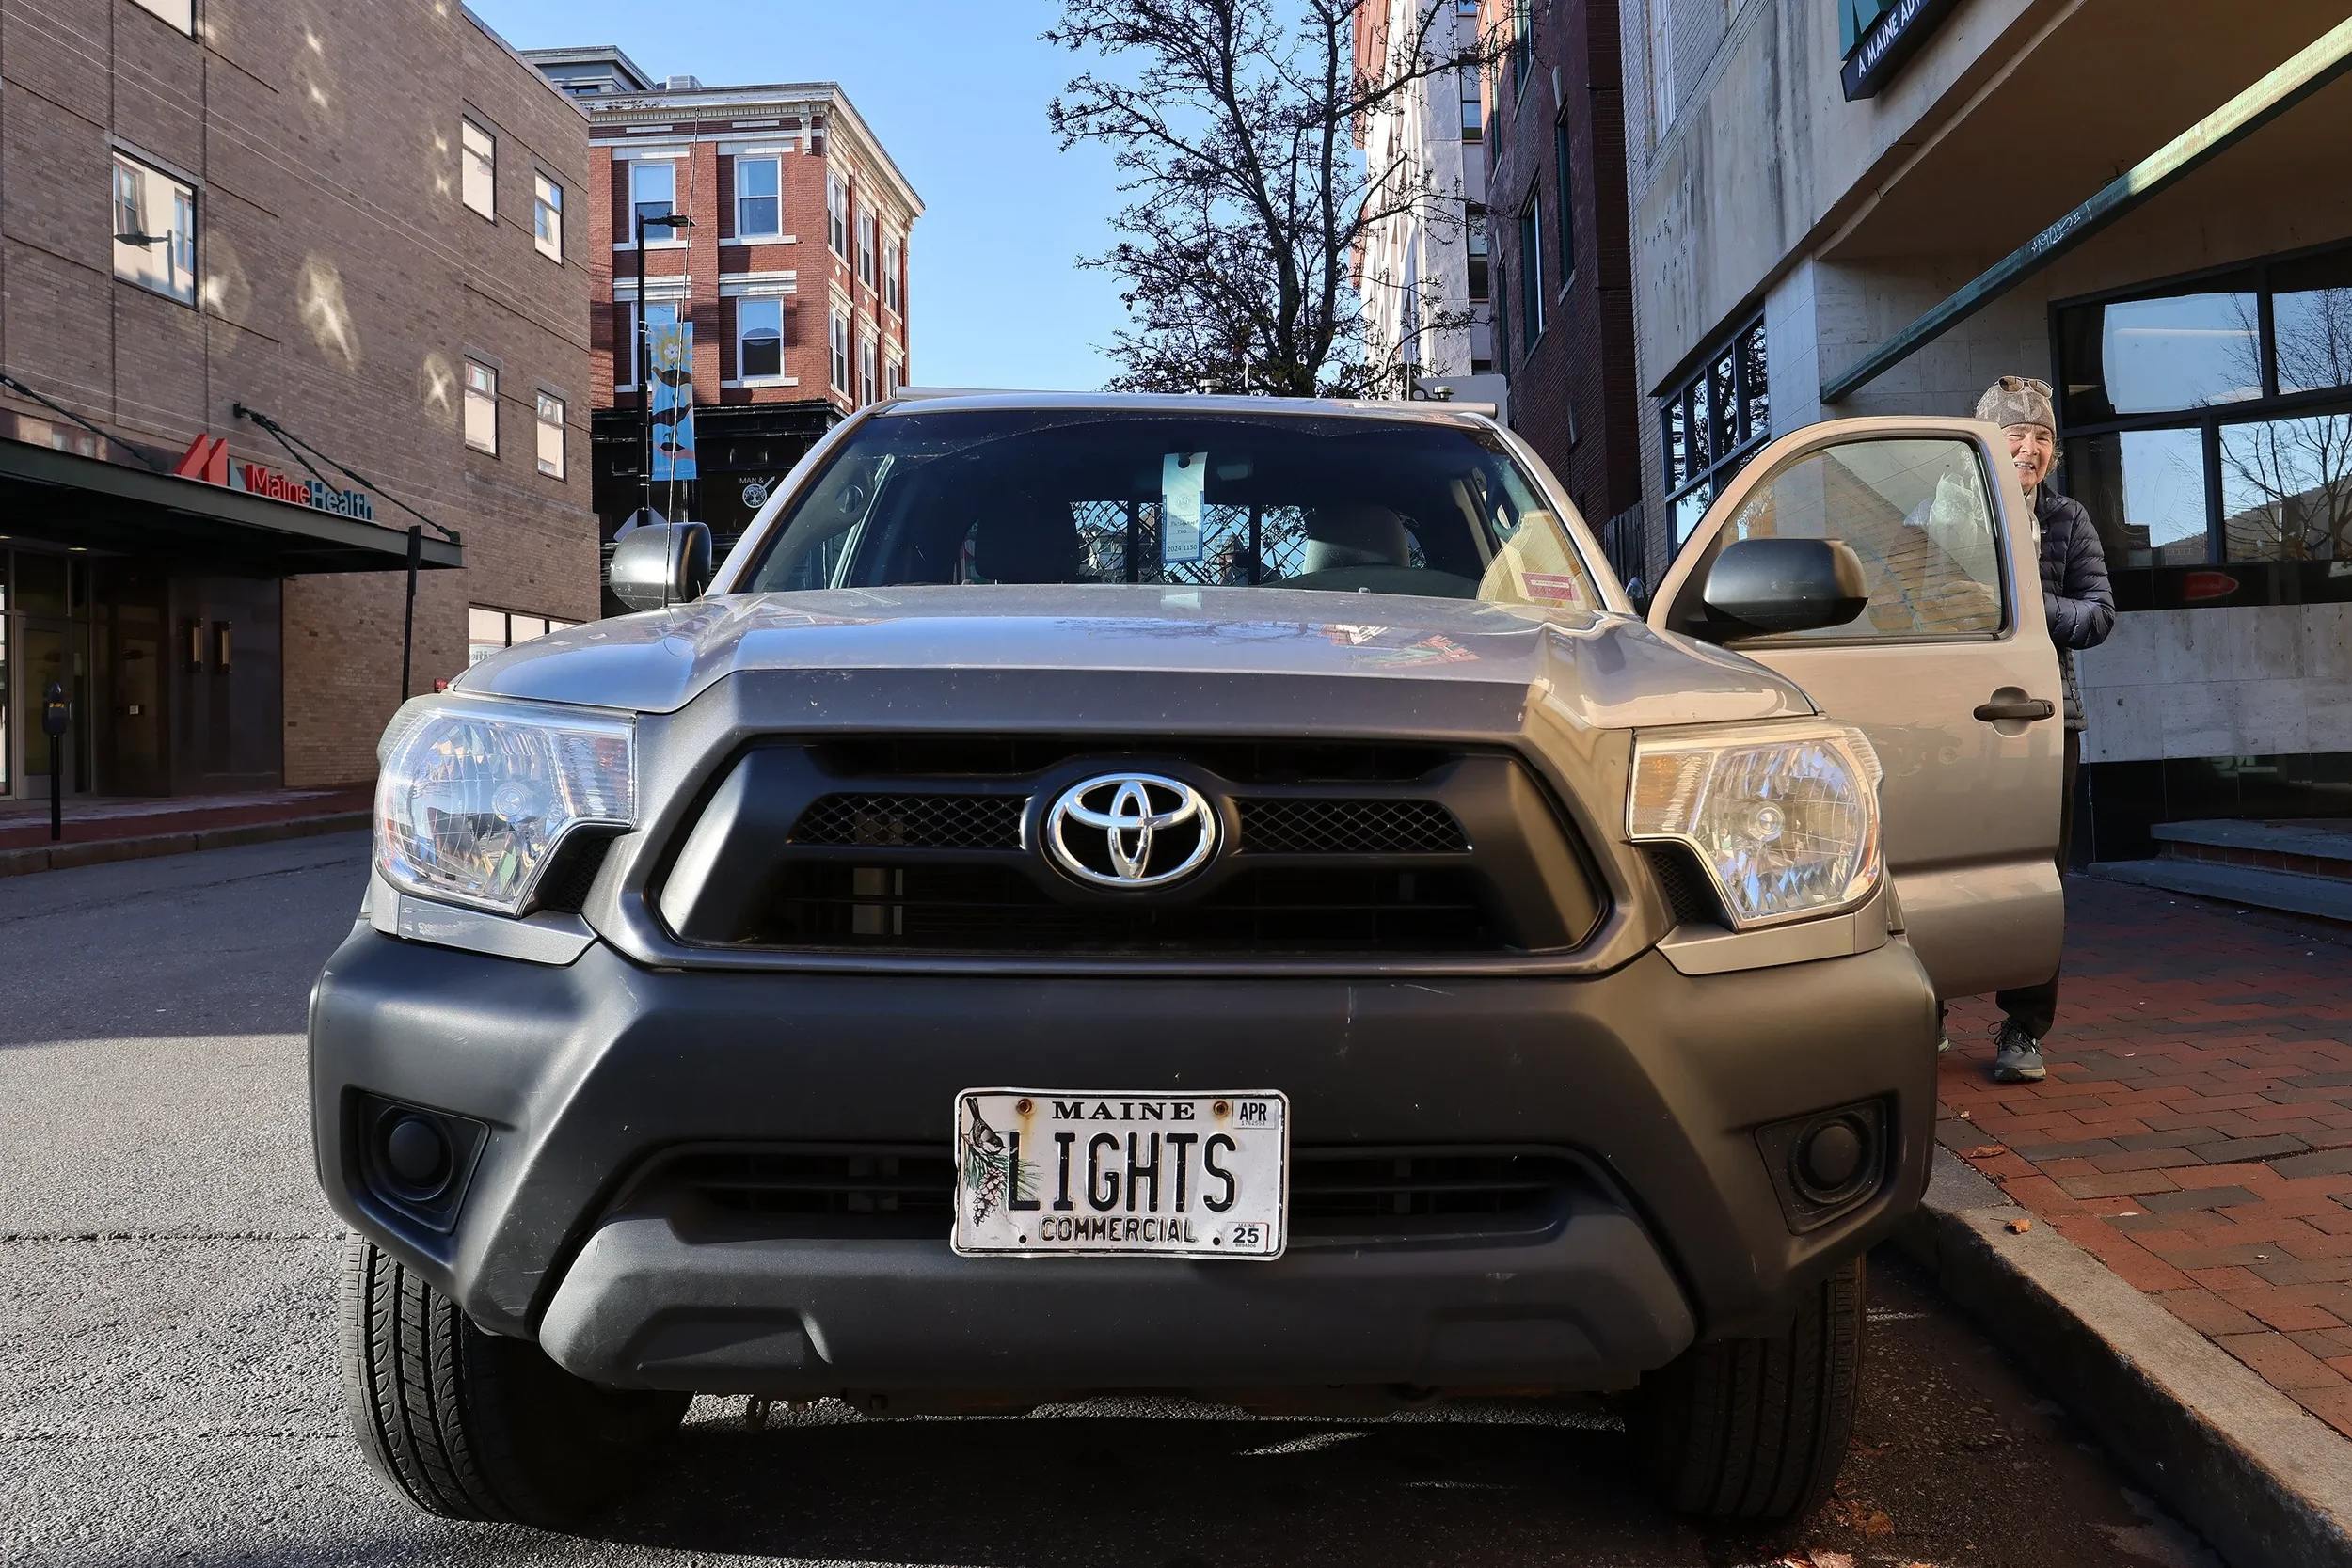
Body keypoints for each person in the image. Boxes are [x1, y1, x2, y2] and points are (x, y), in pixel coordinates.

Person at [1969, 375, 2114, 1083]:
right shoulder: (1944, 515)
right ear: (1986, 436)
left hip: (2049, 721)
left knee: (2039, 880)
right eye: (2015, 433)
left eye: (2043, 435)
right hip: (1950, 721)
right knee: (1946, 871)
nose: (2029, 447)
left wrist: (2031, 605)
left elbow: (2098, 615)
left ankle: (2023, 1029)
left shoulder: (2068, 519)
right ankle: (1924, 1008)